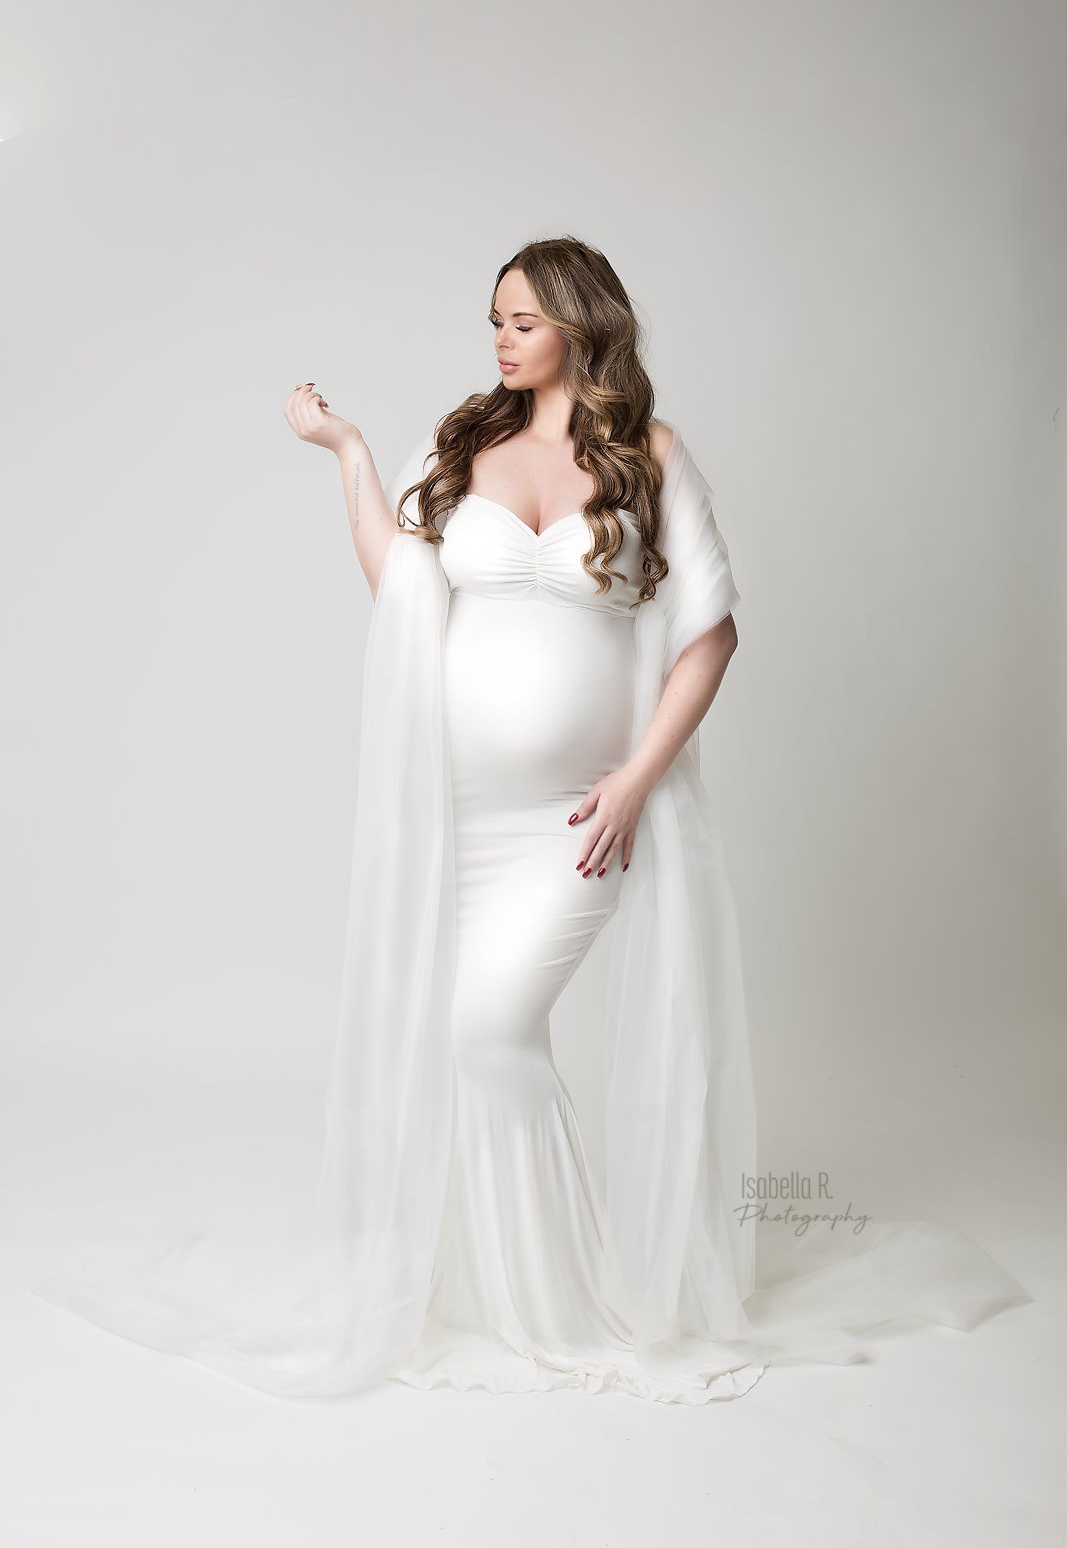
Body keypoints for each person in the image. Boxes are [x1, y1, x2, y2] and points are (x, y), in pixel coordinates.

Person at [29, 238, 1032, 1404]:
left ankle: (562, 1304)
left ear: (577, 325)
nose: (498, 339)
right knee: (467, 1041)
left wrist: (632, 782)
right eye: (491, 319)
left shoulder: (649, 457)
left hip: (576, 820)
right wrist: (349, 454)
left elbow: (709, 636)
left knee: (485, 1030)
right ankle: (486, 1291)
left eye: (519, 319)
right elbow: (399, 592)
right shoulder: (462, 445)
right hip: (457, 815)